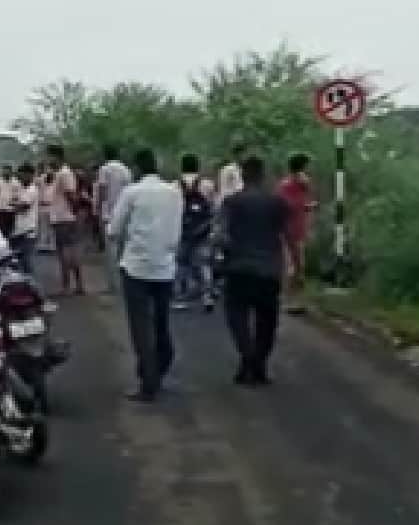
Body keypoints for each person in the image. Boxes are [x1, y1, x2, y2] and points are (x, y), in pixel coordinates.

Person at [107, 149, 182, 402]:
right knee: (161, 322)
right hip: (165, 266)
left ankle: (148, 381)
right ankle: (161, 363)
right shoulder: (174, 193)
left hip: (137, 267)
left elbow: (114, 230)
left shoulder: (132, 193)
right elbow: (176, 233)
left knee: (141, 327)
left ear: (138, 168)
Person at [218, 155, 290, 385]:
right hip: (269, 269)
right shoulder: (277, 202)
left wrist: (220, 258)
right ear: (263, 174)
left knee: (236, 314)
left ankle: (247, 356)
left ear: (243, 175)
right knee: (267, 320)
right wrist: (292, 265)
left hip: (239, 267)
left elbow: (221, 236)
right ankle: (259, 365)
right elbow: (285, 234)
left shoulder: (232, 202)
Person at [174, 153, 217, 312]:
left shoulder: (174, 185)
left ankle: (180, 297)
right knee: (204, 264)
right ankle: (207, 296)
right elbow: (213, 207)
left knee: (181, 264)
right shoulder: (207, 185)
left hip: (183, 230)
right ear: (198, 166)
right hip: (203, 229)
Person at [42, 145, 87, 295]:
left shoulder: (64, 174)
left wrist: (74, 213)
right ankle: (76, 285)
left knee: (65, 253)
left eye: (49, 156)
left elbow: (71, 195)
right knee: (68, 252)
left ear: (56, 156)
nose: (47, 160)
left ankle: (68, 285)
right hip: (62, 217)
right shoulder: (58, 174)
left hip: (64, 218)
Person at [278, 152, 317, 314]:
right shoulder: (286, 185)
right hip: (289, 229)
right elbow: (286, 205)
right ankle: (287, 300)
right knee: (293, 266)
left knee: (299, 267)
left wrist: (308, 205)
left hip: (299, 228)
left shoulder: (301, 185)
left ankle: (297, 300)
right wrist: (305, 205)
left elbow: (302, 202)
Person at [94, 147, 133, 294]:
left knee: (111, 251)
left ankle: (113, 285)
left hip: (109, 214)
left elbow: (102, 190)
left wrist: (97, 207)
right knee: (124, 250)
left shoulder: (105, 169)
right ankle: (126, 282)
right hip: (125, 213)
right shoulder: (126, 169)